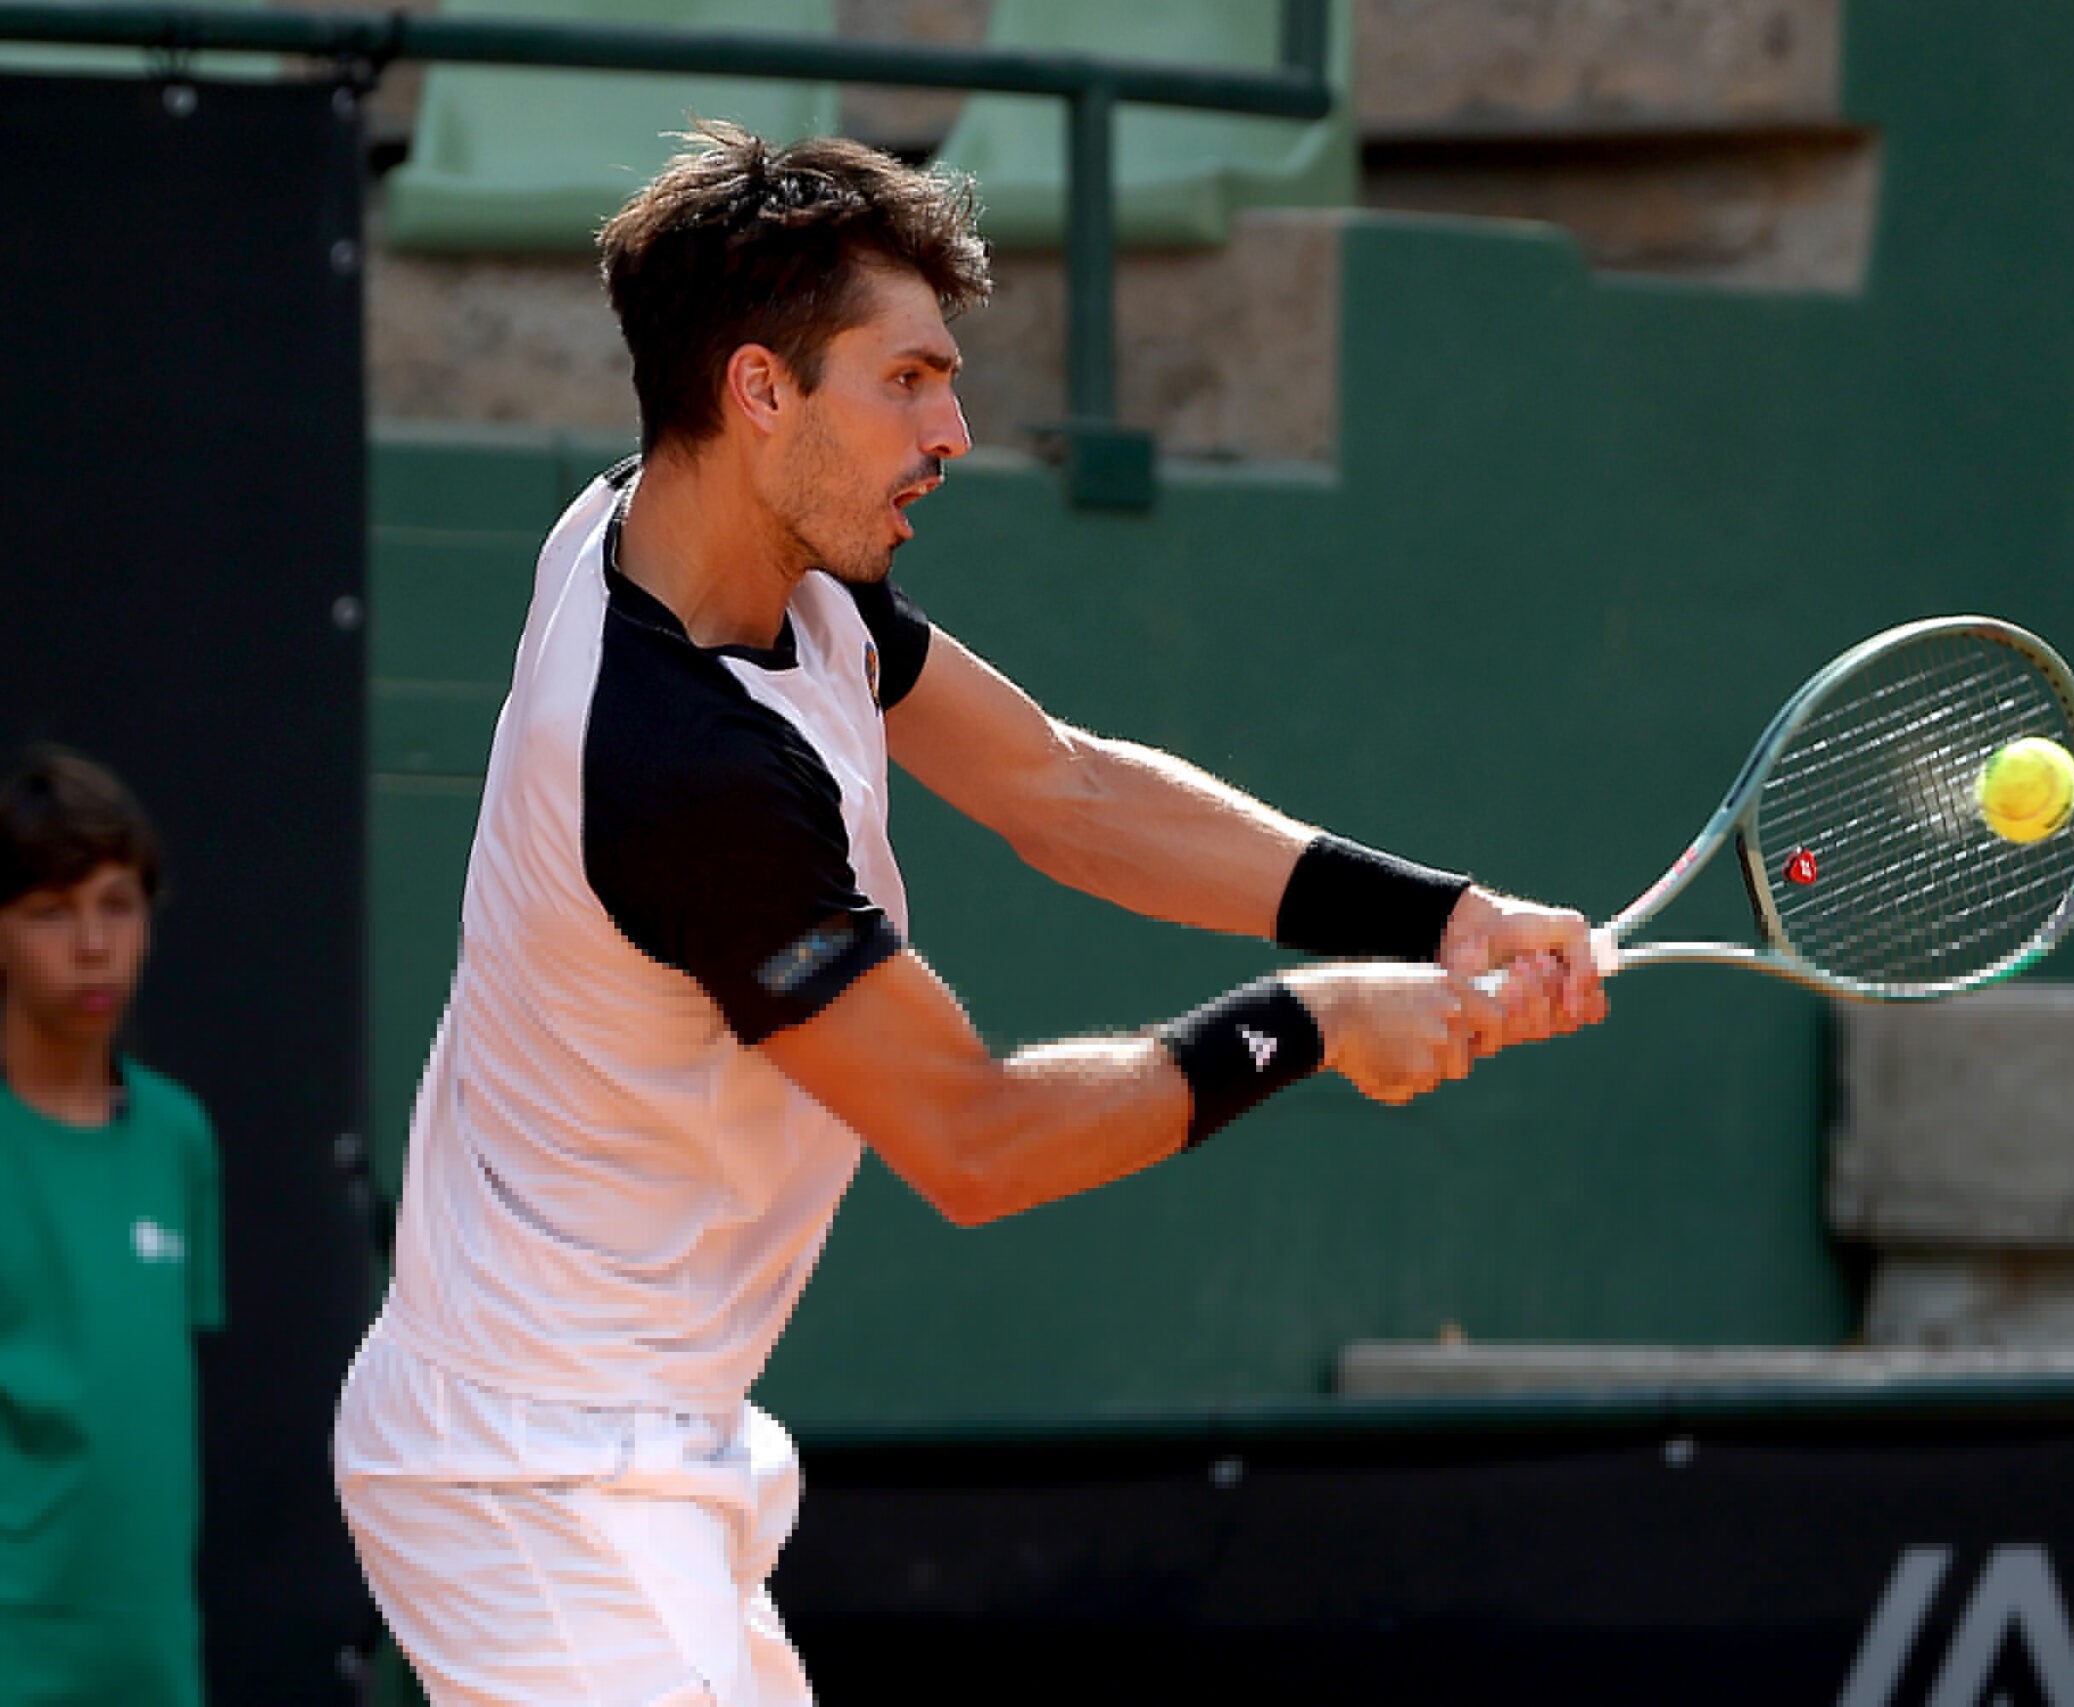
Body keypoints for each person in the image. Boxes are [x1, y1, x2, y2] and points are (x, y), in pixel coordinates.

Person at [333, 120, 1606, 1706]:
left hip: (649, 1440)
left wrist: (1444, 919)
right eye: (910, 379)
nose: (954, 428)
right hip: (535, 1474)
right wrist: (1323, 1021)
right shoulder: (686, 769)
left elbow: (1062, 791)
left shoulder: (703, 539)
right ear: (758, 390)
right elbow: (976, 1140)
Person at [0, 745, 223, 1707]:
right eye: (52, 910)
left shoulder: (179, 1136)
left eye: (118, 904)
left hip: (153, 1661)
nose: (92, 943)